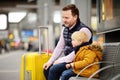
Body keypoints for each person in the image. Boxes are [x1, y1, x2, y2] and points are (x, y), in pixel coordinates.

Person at [43, 4, 93, 80]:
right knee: (47, 68)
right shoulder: (65, 29)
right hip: (68, 61)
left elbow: (77, 52)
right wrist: (50, 61)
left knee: (54, 69)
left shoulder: (84, 30)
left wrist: (59, 61)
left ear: (75, 17)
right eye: (63, 17)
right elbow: (60, 47)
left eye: (66, 17)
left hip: (79, 62)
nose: (64, 20)